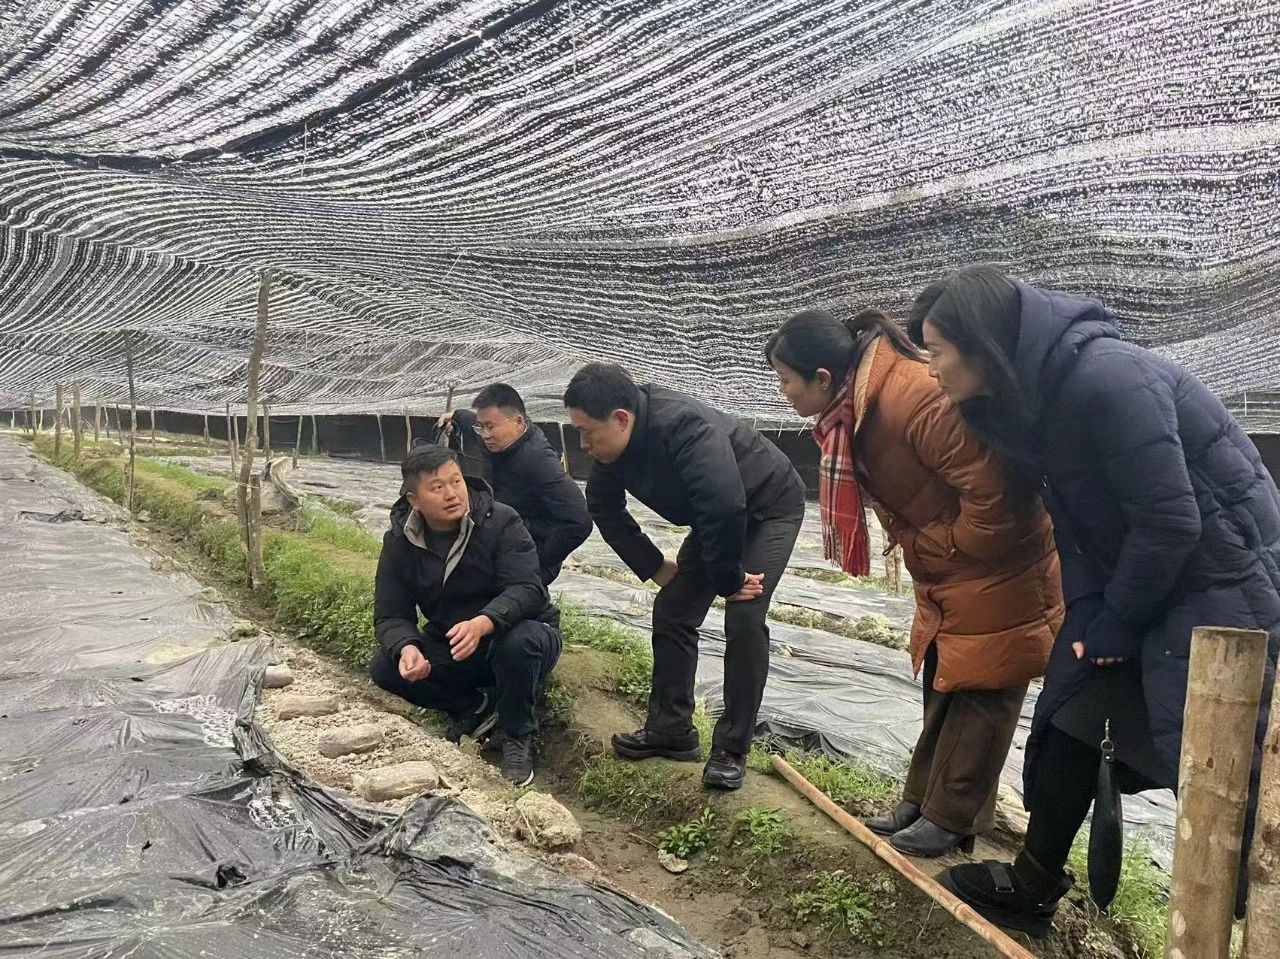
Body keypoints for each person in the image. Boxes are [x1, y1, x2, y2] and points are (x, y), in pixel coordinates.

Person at [912, 266, 1280, 937]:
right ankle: (1032, 883)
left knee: (1220, 765)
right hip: (1141, 568)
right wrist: (1091, 614)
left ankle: (1256, 924)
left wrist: (1118, 616)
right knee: (1072, 713)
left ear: (983, 343)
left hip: (1220, 575)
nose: (930, 367)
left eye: (937, 350)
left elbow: (1173, 520)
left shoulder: (1105, 379)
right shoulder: (1024, 408)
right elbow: (1078, 520)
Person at [765, 308, 1063, 857]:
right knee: (945, 680)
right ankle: (922, 801)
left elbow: (998, 492)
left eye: (786, 380)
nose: (783, 393)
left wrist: (950, 544)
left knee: (984, 686)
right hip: (952, 568)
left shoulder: (913, 398)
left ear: (823, 379)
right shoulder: (856, 409)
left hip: (999, 565)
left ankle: (951, 820)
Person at [563, 363, 806, 790]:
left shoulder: (683, 425)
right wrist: (655, 566)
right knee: (674, 608)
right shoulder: (610, 448)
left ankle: (731, 749)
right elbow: (603, 507)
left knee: (745, 617)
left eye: (588, 432)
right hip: (717, 517)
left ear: (621, 419)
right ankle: (671, 731)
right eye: (578, 432)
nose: (583, 444)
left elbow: (725, 504)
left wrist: (729, 580)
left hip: (767, 504)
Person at [370, 444, 562, 787]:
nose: (452, 494)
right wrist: (407, 648)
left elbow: (529, 590)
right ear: (415, 500)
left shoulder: (500, 520)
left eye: (455, 481)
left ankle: (517, 736)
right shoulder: (400, 542)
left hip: (518, 633)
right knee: (386, 667)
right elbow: (390, 615)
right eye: (437, 487)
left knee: (520, 643)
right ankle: (473, 706)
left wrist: (484, 622)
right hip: (458, 643)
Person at [435, 383, 592, 585]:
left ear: (518, 422)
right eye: (481, 426)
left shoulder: (538, 461)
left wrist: (536, 559)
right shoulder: (494, 438)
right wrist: (455, 415)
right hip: (502, 537)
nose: (485, 434)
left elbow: (580, 522)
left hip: (528, 555)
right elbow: (473, 422)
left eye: (490, 427)